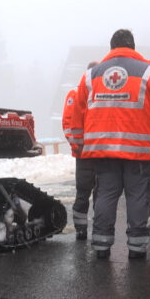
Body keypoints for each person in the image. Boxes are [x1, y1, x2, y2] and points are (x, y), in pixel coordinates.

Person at [68, 29, 150, 260]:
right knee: (137, 196)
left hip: (103, 151)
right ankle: (137, 248)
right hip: (140, 152)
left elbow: (77, 113)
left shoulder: (91, 75)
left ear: (111, 47)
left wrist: (78, 145)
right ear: (133, 47)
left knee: (106, 194)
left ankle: (101, 245)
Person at [62, 61, 99, 240]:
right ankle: (81, 228)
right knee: (83, 193)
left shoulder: (102, 95)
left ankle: (99, 229)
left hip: (100, 154)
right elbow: (68, 123)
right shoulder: (75, 94)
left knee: (101, 194)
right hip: (84, 154)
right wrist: (77, 145)